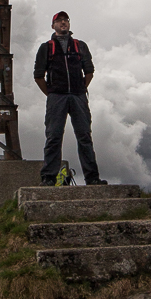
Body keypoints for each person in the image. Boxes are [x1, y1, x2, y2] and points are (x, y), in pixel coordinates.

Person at [34, 11, 107, 186]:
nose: (63, 23)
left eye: (65, 20)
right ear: (53, 26)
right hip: (57, 97)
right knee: (53, 136)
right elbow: (38, 76)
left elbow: (89, 71)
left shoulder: (80, 46)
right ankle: (49, 178)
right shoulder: (46, 47)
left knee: (84, 136)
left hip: (78, 96)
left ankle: (92, 178)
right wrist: (52, 93)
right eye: (59, 21)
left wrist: (80, 89)